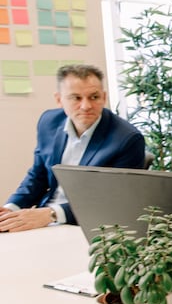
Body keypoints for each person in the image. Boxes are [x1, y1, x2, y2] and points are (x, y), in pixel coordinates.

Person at [0, 64, 146, 232]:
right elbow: (38, 176)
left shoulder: (127, 139)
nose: (86, 106)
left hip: (88, 226)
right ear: (59, 100)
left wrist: (51, 214)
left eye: (94, 97)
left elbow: (113, 199)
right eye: (76, 98)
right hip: (44, 219)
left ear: (104, 97)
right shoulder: (48, 122)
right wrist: (10, 209)